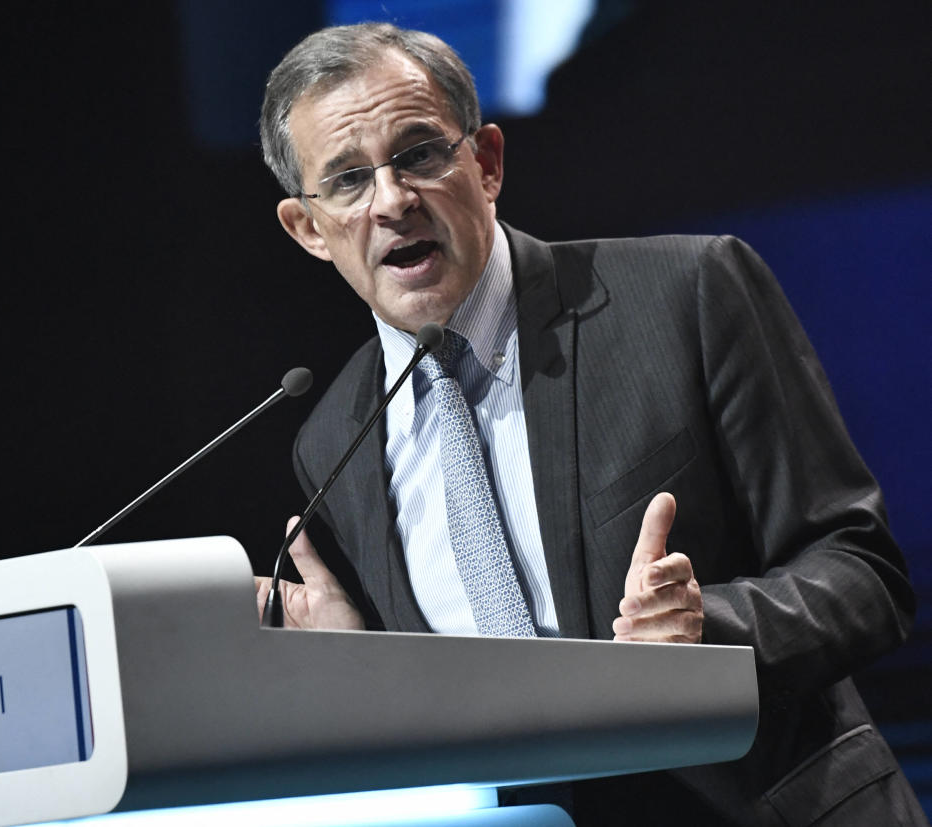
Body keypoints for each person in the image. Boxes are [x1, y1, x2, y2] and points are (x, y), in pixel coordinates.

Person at [253, 22, 924, 826]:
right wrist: (355, 666)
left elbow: (864, 571)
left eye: (420, 154)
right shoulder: (333, 443)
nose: (394, 201)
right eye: (351, 180)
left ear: (487, 162)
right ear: (307, 228)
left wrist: (703, 628)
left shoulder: (686, 295)